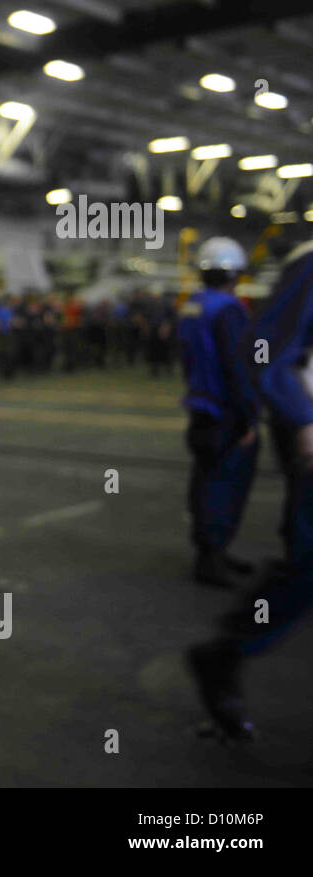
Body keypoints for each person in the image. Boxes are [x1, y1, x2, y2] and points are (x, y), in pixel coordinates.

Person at [187, 234, 313, 739]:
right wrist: (298, 421)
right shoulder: (304, 269)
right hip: (270, 425)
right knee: (305, 562)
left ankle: (225, 645)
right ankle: (227, 649)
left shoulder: (197, 305)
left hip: (205, 410)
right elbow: (262, 356)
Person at [176, 237, 260, 587]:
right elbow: (237, 368)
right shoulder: (228, 310)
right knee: (225, 484)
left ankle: (213, 552)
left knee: (206, 480)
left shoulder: (192, 306)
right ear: (234, 274)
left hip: (200, 407)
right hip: (225, 412)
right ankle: (211, 560)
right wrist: (249, 415)